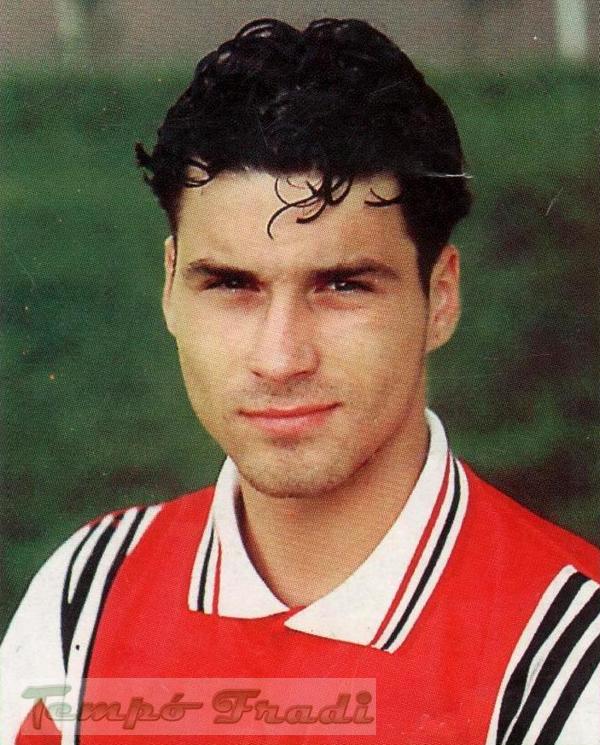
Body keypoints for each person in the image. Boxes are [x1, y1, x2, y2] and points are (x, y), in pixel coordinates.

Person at [1, 17, 599, 745]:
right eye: (231, 284)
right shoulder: (81, 604)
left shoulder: (572, 657)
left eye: (342, 285)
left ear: (440, 297)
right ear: (170, 286)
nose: (280, 358)